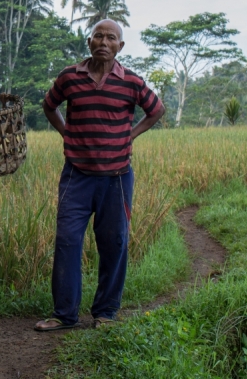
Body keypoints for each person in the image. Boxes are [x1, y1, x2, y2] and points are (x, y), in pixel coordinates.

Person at [34, 19, 165, 332]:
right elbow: (49, 106)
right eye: (98, 36)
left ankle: (106, 313)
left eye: (111, 38)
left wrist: (130, 135)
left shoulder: (131, 81)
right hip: (76, 176)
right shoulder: (69, 77)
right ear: (89, 41)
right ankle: (64, 314)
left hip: (117, 178)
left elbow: (156, 110)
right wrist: (67, 133)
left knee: (114, 242)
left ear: (120, 46)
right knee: (67, 241)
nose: (104, 42)